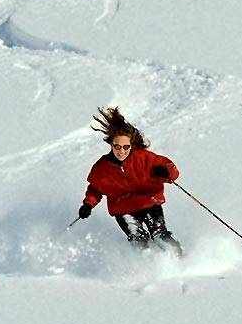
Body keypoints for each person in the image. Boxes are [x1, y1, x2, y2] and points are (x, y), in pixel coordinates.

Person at [76, 107, 183, 256]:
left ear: (131, 145)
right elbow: (96, 188)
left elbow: (170, 168)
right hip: (123, 208)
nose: (121, 151)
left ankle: (177, 256)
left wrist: (165, 171)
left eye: (126, 147)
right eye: (117, 147)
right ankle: (148, 265)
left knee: (159, 234)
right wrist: (88, 204)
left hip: (148, 201)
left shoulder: (144, 158)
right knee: (137, 238)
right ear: (111, 145)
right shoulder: (102, 167)